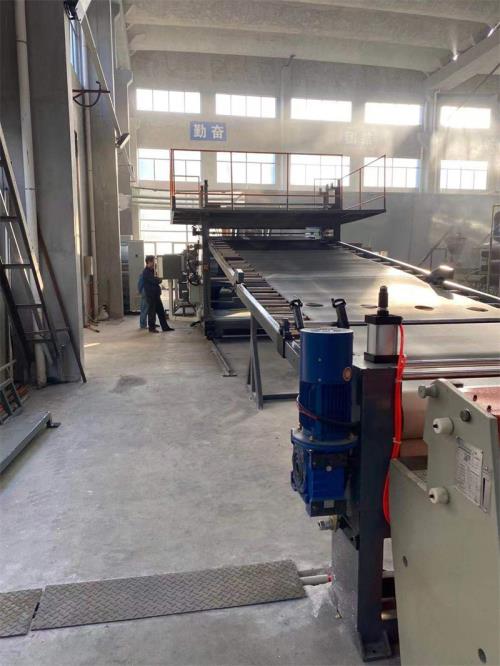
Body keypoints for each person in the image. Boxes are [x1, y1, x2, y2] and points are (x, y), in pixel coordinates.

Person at [141, 256, 174, 333]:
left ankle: (165, 327)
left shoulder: (153, 270)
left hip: (156, 294)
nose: (154, 263)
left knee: (161, 311)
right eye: (153, 261)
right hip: (151, 295)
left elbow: (158, 279)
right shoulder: (146, 272)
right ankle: (151, 328)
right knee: (152, 312)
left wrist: (159, 278)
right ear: (149, 262)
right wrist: (159, 279)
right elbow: (156, 281)